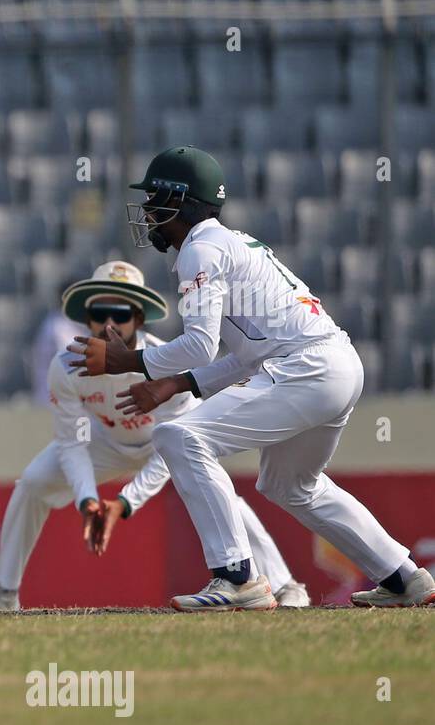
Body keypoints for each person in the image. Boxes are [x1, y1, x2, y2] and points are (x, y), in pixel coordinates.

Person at [70, 146, 433, 610]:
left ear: (179, 201)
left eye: (154, 200)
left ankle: (236, 577)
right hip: (334, 366)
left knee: (180, 435)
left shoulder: (199, 250)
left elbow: (201, 345)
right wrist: (177, 383)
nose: (147, 213)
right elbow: (247, 356)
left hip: (307, 368)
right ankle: (403, 577)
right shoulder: (231, 243)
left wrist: (131, 361)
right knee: (290, 485)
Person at [0, 260, 308, 611]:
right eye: (98, 312)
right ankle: (4, 593)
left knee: (223, 497)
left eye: (119, 314)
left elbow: (174, 443)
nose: (108, 325)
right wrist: (87, 500)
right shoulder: (66, 365)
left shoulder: (166, 361)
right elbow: (72, 442)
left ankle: (285, 586)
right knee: (32, 483)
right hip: (103, 442)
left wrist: (125, 502)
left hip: (163, 445)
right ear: (84, 318)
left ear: (138, 319)